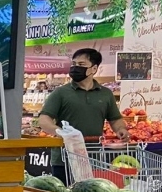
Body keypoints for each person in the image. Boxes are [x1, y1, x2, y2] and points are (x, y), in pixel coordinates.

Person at [37, 48, 130, 182]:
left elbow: (115, 119)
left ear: (94, 69)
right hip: (64, 158)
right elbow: (44, 120)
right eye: (74, 64)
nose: (75, 68)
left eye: (81, 65)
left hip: (93, 158)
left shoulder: (105, 94)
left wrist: (121, 129)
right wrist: (60, 132)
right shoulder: (61, 93)